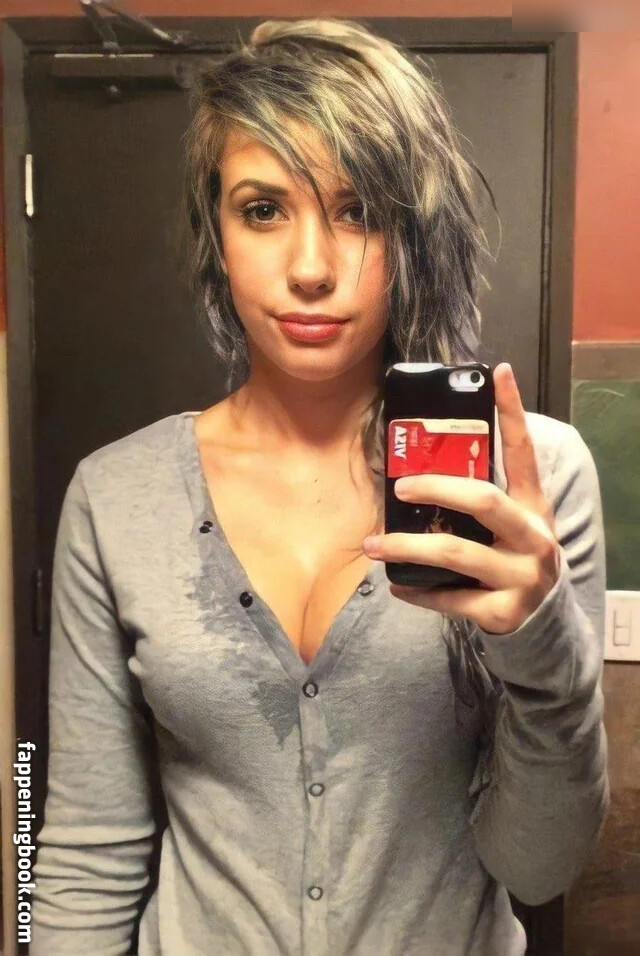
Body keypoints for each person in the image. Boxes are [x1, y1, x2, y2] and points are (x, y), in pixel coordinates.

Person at [30, 17, 609, 956]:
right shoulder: (116, 498)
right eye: (263, 209)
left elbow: (538, 865)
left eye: (359, 211)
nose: (310, 269)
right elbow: (87, 853)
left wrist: (544, 651)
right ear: (216, 233)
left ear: (412, 235)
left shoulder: (529, 490)